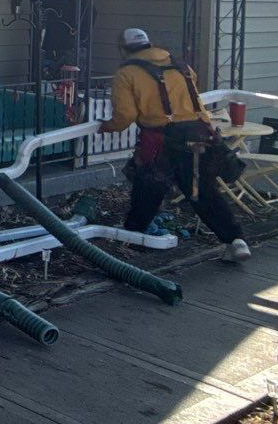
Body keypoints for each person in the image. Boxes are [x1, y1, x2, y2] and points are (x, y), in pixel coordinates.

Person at [98, 27, 250, 262]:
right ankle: (235, 240)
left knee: (149, 186)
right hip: (198, 135)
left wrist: (106, 126)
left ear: (123, 48)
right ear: (150, 44)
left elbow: (124, 116)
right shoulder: (182, 68)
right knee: (201, 192)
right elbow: (195, 102)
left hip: (160, 139)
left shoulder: (127, 73)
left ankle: (132, 237)